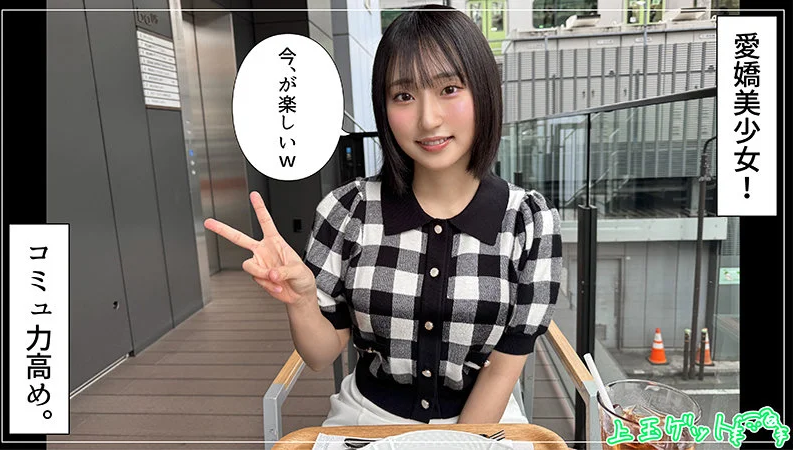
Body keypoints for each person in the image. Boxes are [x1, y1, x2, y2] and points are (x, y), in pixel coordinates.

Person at [204, 4, 562, 426]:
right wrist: (301, 301)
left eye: (449, 89)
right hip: (367, 417)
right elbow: (320, 355)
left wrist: (457, 442)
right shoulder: (347, 211)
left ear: (484, 92)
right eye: (404, 96)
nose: (428, 119)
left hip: (486, 419)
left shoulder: (529, 222)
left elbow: (503, 370)